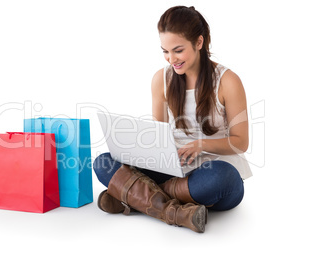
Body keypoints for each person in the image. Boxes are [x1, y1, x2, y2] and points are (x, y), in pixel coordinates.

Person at [93, 6, 252, 233]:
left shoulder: (227, 81)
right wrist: (139, 146)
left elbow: (241, 142)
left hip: (211, 170)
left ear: (199, 42)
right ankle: (175, 212)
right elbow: (159, 136)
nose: (171, 59)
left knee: (222, 178)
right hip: (174, 168)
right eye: (165, 51)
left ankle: (135, 197)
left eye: (178, 50)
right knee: (103, 162)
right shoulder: (162, 79)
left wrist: (201, 145)